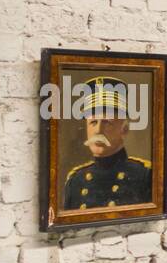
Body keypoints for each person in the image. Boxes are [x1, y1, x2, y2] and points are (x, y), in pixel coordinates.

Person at [62, 76, 152, 210]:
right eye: (93, 122)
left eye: (107, 122)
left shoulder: (144, 175)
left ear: (124, 130)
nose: (98, 130)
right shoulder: (75, 180)